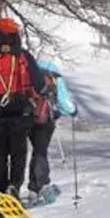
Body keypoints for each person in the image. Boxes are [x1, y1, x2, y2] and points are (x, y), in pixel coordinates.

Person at [0, 17, 44, 202]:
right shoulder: (23, 56)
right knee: (18, 152)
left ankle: (2, 189)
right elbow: (38, 82)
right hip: (21, 111)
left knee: (0, 153)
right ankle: (15, 186)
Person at [27, 58, 77, 204]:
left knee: (36, 149)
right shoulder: (53, 73)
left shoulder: (28, 71)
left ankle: (35, 187)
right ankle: (39, 186)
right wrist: (73, 110)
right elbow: (63, 101)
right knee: (40, 150)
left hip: (27, 115)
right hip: (46, 118)